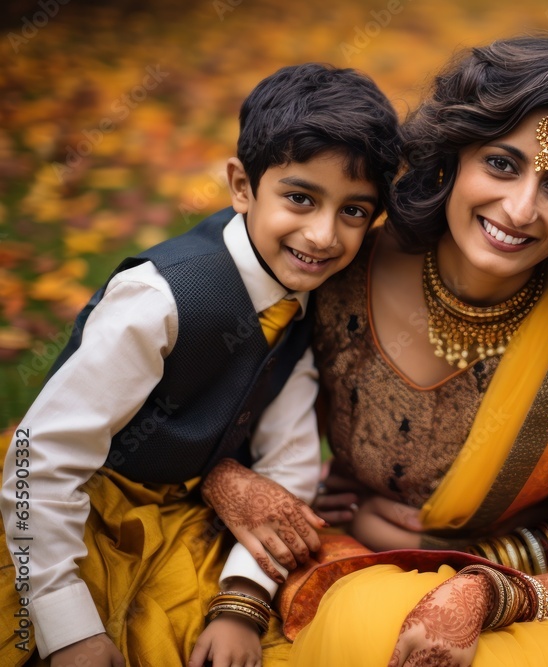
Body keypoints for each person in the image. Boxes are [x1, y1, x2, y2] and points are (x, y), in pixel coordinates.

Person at [203, 36, 548, 666]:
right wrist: (226, 478)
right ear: (452, 158)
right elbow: (198, 392)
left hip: (523, 593)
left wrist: (478, 587)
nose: (520, 208)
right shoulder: (341, 259)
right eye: (501, 164)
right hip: (343, 556)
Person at [0, 63, 400, 667]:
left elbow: (288, 462)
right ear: (242, 186)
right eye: (299, 198)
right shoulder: (160, 299)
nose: (322, 235)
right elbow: (41, 459)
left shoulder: (306, 300)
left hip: (192, 525)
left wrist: (240, 601)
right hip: (77, 521)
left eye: (353, 212)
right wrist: (68, 626)